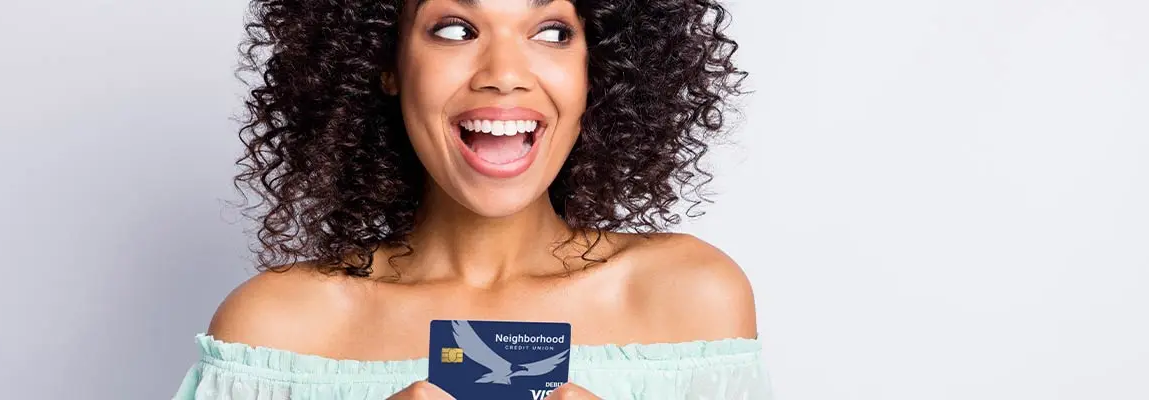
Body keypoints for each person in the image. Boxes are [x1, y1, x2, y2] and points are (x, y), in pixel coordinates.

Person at [173, 0, 770, 398]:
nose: (504, 72)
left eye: (552, 31)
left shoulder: (687, 298)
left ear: (598, 66)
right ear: (387, 64)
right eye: (455, 29)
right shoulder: (277, 330)